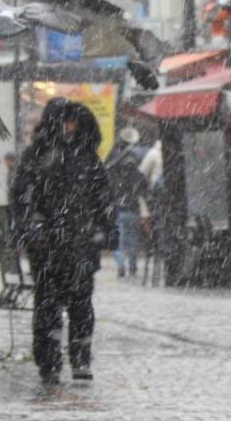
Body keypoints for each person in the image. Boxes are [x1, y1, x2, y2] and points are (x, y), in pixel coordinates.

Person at [11, 99, 114, 385]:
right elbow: (24, 198)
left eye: (74, 122)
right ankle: (50, 362)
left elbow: (102, 199)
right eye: (66, 121)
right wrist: (34, 231)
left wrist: (103, 230)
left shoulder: (87, 158)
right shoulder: (37, 157)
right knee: (48, 306)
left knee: (81, 305)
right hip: (49, 248)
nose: (70, 127)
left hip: (80, 245)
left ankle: (80, 358)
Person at [108, 129, 149, 278]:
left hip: (120, 208)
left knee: (118, 242)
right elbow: (144, 186)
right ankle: (132, 267)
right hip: (134, 208)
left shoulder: (115, 165)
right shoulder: (137, 164)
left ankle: (121, 265)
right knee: (133, 241)